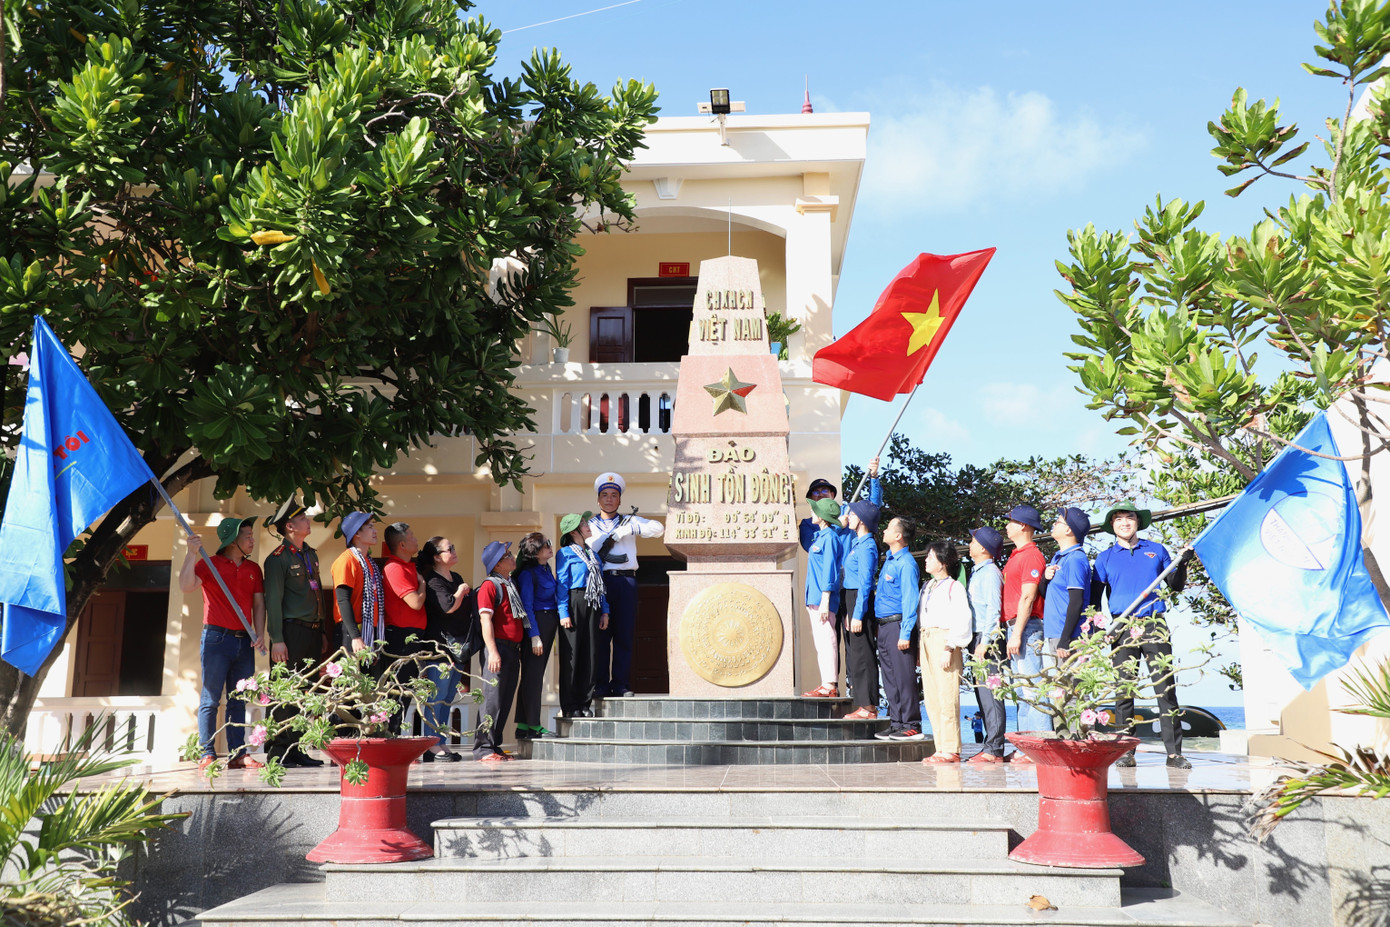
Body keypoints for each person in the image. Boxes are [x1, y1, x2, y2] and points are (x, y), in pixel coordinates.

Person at [1093, 501, 1195, 769]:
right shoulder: (1105, 557)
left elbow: (1175, 585)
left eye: (1129, 518)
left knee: (1165, 689)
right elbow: (1095, 597)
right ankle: (1125, 751)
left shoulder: (1156, 550)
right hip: (1121, 626)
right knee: (1124, 690)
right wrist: (1099, 627)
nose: (1124, 522)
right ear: (1112, 526)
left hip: (1153, 624)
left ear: (1137, 522)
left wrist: (1183, 563)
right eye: (1118, 519)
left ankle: (1174, 754)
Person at [180, 515, 266, 771]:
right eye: (247, 536)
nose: (252, 540)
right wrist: (190, 553)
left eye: (252, 535)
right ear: (232, 541)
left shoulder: (253, 569)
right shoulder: (210, 563)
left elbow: (259, 604)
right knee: (210, 698)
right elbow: (186, 586)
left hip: (245, 641)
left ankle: (238, 753)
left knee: (238, 699)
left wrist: (260, 632)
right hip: (216, 638)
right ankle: (207, 753)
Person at [586, 472, 665, 698]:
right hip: (601, 582)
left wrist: (628, 529)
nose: (609, 499)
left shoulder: (630, 521)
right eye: (604, 495)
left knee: (624, 634)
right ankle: (600, 685)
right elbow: (590, 547)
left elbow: (658, 529)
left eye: (614, 495)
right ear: (598, 499)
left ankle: (620, 684)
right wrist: (609, 537)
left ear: (620, 500)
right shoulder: (590, 524)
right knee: (601, 637)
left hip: (626, 581)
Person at [261, 497, 325, 768]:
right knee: (284, 690)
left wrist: (320, 629)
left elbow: (317, 592)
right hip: (289, 630)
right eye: (302, 519)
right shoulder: (277, 559)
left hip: (311, 630)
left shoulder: (310, 553)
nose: (307, 521)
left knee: (305, 690)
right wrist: (276, 639)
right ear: (289, 526)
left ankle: (297, 746)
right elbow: (273, 601)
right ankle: (278, 749)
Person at [474, 540, 534, 762]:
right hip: (497, 648)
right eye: (508, 555)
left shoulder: (510, 584)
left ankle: (494, 746)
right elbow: (485, 620)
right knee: (491, 700)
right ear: (497, 564)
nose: (513, 557)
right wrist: (493, 651)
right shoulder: (490, 586)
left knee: (504, 699)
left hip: (512, 650)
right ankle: (483, 749)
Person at [416, 536, 471, 762]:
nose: (455, 551)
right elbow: (448, 606)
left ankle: (440, 741)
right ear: (437, 557)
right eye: (450, 549)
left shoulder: (455, 577)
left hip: (456, 646)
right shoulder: (433, 581)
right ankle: (430, 743)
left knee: (448, 697)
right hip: (438, 649)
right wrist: (461, 592)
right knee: (436, 696)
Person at [918, 540, 973, 764]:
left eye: (931, 557)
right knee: (931, 697)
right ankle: (940, 746)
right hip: (926, 638)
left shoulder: (954, 586)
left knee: (947, 695)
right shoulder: (927, 586)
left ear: (942, 562)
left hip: (944, 639)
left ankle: (951, 748)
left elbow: (962, 619)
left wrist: (950, 647)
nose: (926, 560)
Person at [1002, 504, 1049, 760]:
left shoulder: (1031, 555)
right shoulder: (1016, 555)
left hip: (1027, 627)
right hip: (1016, 626)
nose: (1007, 526)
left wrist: (1018, 632)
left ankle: (1038, 750)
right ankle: (1026, 747)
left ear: (1023, 525)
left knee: (1033, 689)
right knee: (1021, 691)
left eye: (1011, 521)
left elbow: (1029, 597)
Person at [872, 517, 923, 742]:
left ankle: (911, 724)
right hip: (884, 626)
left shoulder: (906, 563)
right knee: (890, 678)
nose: (884, 531)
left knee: (904, 677)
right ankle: (896, 722)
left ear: (898, 536)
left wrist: (905, 632)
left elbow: (910, 600)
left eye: (889, 528)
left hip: (898, 625)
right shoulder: (890, 560)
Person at [555, 513, 609, 718]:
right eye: (583, 524)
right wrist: (563, 612)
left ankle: (585, 703)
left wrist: (605, 610)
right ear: (574, 531)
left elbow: (601, 585)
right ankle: (570, 705)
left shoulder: (593, 554)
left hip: (593, 603)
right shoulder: (565, 553)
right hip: (574, 601)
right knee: (573, 655)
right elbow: (562, 584)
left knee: (591, 653)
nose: (588, 525)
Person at [380, 522, 431, 733]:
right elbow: (415, 602)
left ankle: (394, 734)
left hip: (413, 636)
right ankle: (390, 734)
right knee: (397, 691)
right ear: (402, 544)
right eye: (411, 536)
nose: (415, 539)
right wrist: (423, 585)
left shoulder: (409, 566)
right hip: (401, 637)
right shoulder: (394, 568)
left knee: (407, 690)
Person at [966, 526, 1007, 764]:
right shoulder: (979, 571)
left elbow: (994, 609)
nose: (969, 545)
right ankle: (990, 746)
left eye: (973, 541)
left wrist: (986, 641)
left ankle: (995, 749)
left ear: (982, 547)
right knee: (982, 693)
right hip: (978, 636)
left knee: (991, 694)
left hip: (986, 637)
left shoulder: (990, 572)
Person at [515, 532, 560, 740]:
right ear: (535, 552)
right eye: (545, 545)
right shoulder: (528, 574)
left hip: (549, 621)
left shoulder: (545, 568)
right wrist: (534, 635)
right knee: (533, 677)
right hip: (538, 623)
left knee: (535, 675)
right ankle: (533, 724)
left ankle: (523, 725)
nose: (550, 547)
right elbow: (527, 606)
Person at [802, 497, 847, 697]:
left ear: (822, 517)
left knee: (827, 638)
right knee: (821, 641)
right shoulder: (821, 537)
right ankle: (825, 682)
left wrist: (825, 598)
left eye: (815, 510)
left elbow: (830, 570)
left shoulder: (829, 538)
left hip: (822, 598)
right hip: (815, 596)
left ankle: (829, 684)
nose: (812, 513)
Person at [840, 500, 881, 720]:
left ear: (862, 520)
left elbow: (866, 583)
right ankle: (862, 702)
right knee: (855, 655)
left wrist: (858, 613)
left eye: (853, 514)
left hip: (860, 599)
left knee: (864, 654)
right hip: (851, 598)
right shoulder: (857, 543)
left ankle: (869, 706)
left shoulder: (867, 546)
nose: (849, 517)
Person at [331, 511, 386, 656]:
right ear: (357, 534)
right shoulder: (346, 560)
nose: (375, 531)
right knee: (351, 678)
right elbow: (343, 600)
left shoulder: (369, 562)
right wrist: (355, 636)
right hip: (351, 632)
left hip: (368, 630)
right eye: (369, 527)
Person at [798, 457, 882, 551]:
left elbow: (872, 507)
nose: (821, 494)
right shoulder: (808, 523)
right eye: (816, 492)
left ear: (832, 494)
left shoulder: (847, 511)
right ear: (810, 499)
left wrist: (874, 476)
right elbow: (812, 547)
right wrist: (838, 525)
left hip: (849, 565)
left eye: (825, 490)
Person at [1044, 507, 1093, 658]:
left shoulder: (1074, 559)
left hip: (1071, 636)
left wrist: (1065, 640)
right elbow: (1045, 594)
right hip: (1056, 632)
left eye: (1058, 522)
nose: (1053, 524)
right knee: (1061, 682)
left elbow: (1076, 601)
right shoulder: (1059, 557)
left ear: (1068, 530)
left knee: (1074, 681)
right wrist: (1044, 579)